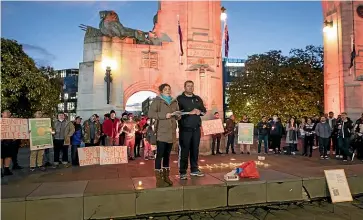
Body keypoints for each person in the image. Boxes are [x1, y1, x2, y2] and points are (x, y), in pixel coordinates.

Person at [148, 83, 180, 187]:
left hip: (171, 132)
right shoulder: (157, 101)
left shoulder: (174, 101)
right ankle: (159, 179)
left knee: (167, 156)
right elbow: (151, 114)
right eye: (165, 89)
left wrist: (178, 115)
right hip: (161, 132)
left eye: (169, 89)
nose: (168, 90)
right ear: (161, 91)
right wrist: (164, 115)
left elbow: (177, 115)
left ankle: (166, 177)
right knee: (160, 155)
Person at [177, 80, 206, 180]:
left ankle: (194, 170)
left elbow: (204, 111)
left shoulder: (197, 98)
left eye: (192, 86)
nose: (190, 88)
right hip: (185, 129)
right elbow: (177, 113)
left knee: (195, 150)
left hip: (196, 129)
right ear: (184, 87)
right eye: (188, 86)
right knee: (184, 150)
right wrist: (189, 112)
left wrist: (199, 112)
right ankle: (182, 172)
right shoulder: (179, 99)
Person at [1, 110, 14, 177]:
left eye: (9, 113)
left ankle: (6, 169)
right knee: (1, 156)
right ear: (2, 114)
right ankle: (0, 170)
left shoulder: (12, 122)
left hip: (9, 141)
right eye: (7, 113)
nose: (9, 114)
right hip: (1, 141)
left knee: (8, 156)